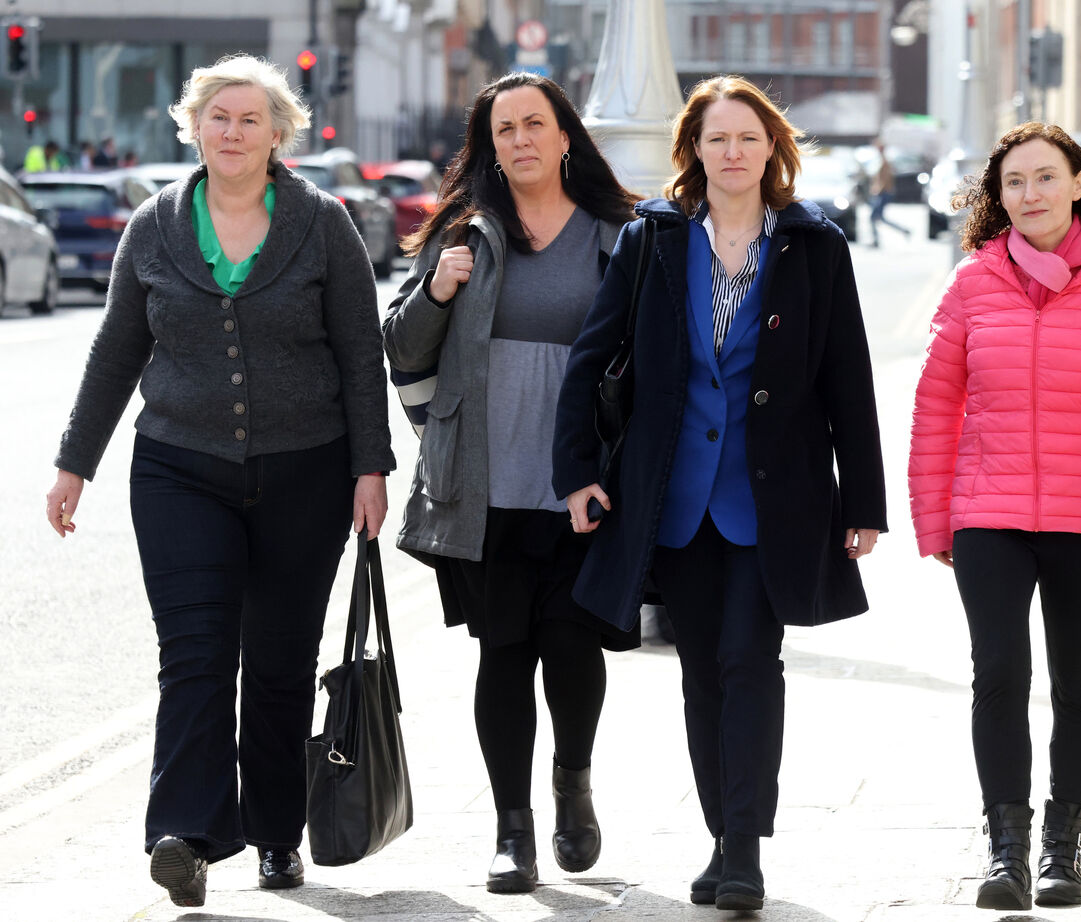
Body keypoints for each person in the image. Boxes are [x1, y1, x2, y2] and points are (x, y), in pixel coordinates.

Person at [44, 54, 395, 907]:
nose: (232, 132)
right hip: (178, 468)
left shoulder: (323, 223)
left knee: (279, 661)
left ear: (278, 135)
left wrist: (371, 467)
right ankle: (185, 835)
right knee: (195, 656)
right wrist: (74, 462)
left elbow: (360, 353)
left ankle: (276, 834)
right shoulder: (154, 225)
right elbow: (116, 350)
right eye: (218, 117)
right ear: (194, 128)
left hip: (307, 470)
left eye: (249, 120)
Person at [553, 75, 888, 911]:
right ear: (693, 151)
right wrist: (576, 471)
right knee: (702, 672)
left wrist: (864, 502)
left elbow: (848, 378)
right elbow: (592, 356)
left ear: (772, 147)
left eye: (747, 137)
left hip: (773, 502)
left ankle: (744, 848)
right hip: (674, 501)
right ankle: (722, 835)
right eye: (716, 139)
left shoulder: (814, 246)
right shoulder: (655, 240)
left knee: (749, 660)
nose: (732, 152)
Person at [908, 122, 1081, 911]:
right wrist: (935, 519)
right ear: (998, 197)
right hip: (989, 513)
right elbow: (936, 406)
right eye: (1014, 183)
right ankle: (1008, 853)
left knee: (1080, 683)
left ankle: (1064, 847)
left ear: (1078, 184)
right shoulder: (972, 282)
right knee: (998, 672)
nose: (1030, 194)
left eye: (1044, 177)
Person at [382, 71, 640, 894]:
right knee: (504, 652)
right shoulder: (466, 231)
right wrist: (438, 289)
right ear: (489, 147)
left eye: (535, 124)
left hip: (582, 482)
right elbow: (401, 347)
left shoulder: (619, 234)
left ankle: (572, 784)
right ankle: (512, 830)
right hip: (484, 485)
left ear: (565, 136)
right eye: (505, 130)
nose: (521, 140)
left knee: (571, 646)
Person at [868, 138, 911, 246]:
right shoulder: (881, 160)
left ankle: (876, 240)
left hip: (884, 193)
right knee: (879, 217)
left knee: (874, 217)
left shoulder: (885, 161)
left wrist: (878, 190)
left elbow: (886, 179)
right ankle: (903, 230)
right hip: (882, 193)